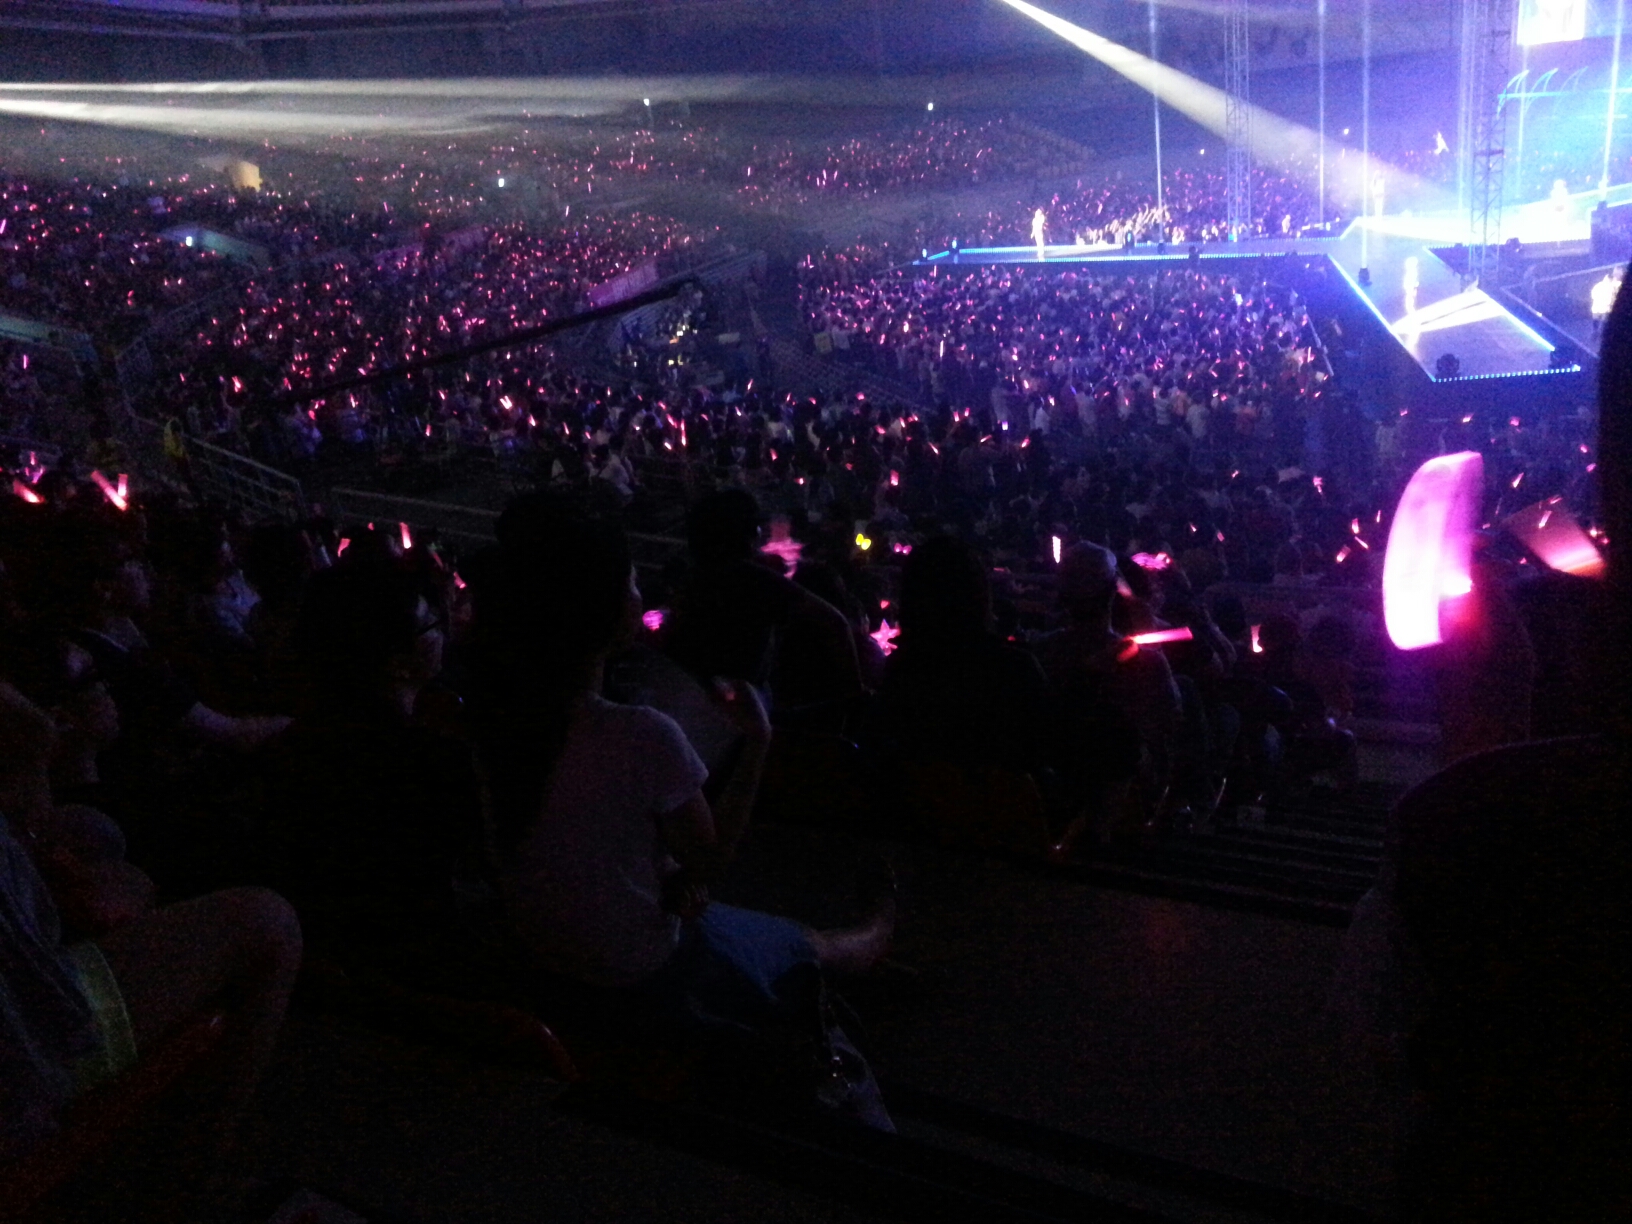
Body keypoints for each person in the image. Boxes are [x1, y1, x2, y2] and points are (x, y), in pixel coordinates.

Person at [471, 499, 894, 1124]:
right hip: (641, 972)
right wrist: (757, 741)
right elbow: (712, 859)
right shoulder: (640, 734)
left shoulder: (489, 720)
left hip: (545, 958)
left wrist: (664, 880)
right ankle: (873, 936)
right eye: (629, 581)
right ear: (600, 611)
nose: (640, 592)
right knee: (798, 943)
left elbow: (570, 838)